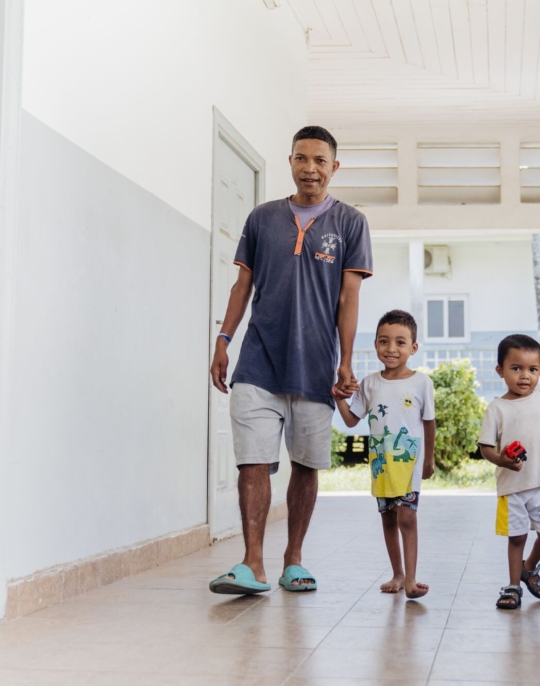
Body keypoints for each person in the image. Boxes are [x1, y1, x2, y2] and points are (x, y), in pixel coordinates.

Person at [208, 126, 372, 595]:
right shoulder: (262, 218)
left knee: (306, 464)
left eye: (320, 160)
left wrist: (345, 362)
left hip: (316, 363)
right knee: (252, 462)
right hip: (258, 360)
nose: (310, 168)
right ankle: (252, 563)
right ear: (290, 162)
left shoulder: (350, 223)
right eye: (302, 158)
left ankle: (293, 560)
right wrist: (223, 339)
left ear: (334, 167)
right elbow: (243, 286)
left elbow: (349, 298)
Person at [335, 310, 436, 599]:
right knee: (388, 518)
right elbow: (352, 420)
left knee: (407, 517)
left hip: (409, 463)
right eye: (384, 341)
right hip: (381, 464)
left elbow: (429, 423)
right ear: (376, 344)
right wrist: (338, 398)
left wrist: (428, 460)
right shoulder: (369, 383)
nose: (391, 349)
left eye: (400, 342)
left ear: (413, 348)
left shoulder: (421, 383)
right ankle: (397, 573)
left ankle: (412, 580)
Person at [479, 335, 540, 610]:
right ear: (500, 370)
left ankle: (529, 566)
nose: (525, 376)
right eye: (516, 368)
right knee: (517, 537)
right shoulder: (496, 408)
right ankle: (512, 586)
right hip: (512, 487)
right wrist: (503, 461)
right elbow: (485, 447)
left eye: (533, 370)